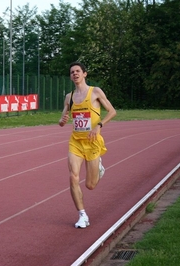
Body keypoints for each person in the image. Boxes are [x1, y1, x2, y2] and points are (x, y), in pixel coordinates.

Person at [59, 62, 116, 228]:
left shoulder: (95, 92)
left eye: (78, 71)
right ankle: (82, 215)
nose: (75, 74)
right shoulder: (69, 97)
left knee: (90, 185)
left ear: (85, 74)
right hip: (75, 142)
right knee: (73, 176)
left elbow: (112, 111)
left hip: (92, 142)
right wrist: (62, 121)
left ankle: (98, 167)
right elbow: (62, 119)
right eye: (72, 72)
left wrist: (99, 126)